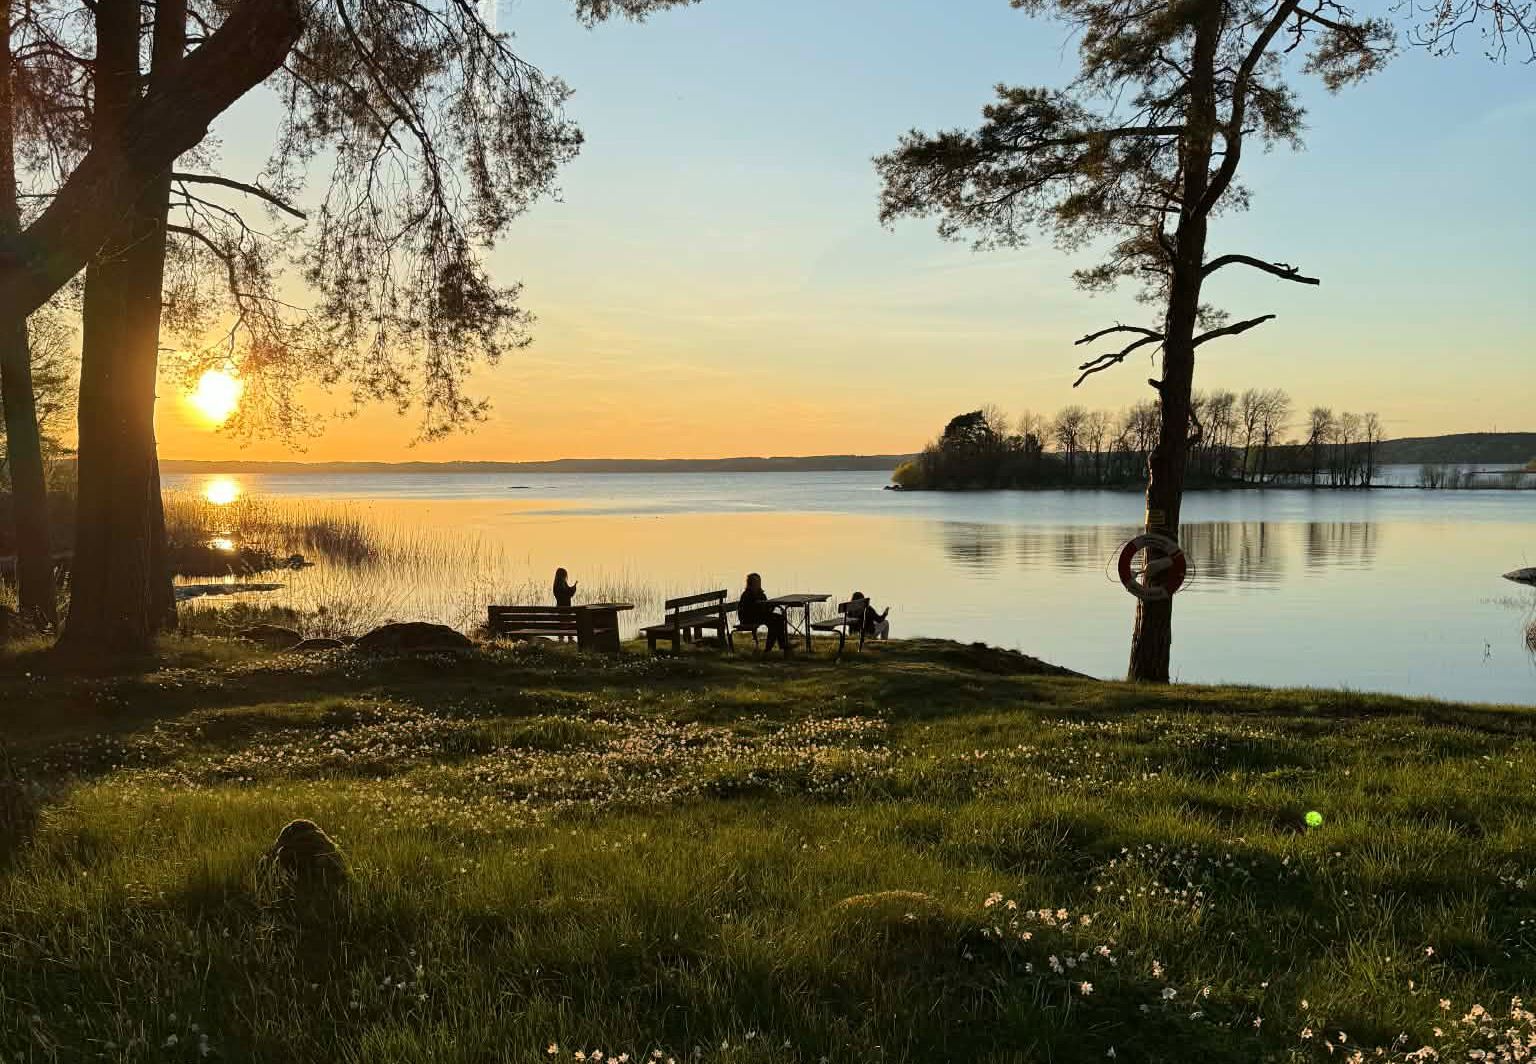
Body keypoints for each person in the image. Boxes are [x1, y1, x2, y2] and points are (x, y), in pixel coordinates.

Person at [738, 572, 789, 654]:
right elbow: (750, 611)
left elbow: (766, 609)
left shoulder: (761, 594)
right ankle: (770, 649)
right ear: (751, 583)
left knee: (779, 618)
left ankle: (781, 645)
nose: (759, 584)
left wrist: (771, 606)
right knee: (774, 621)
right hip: (748, 619)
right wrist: (764, 607)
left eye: (759, 582)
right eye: (756, 582)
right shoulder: (746, 595)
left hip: (759, 616)